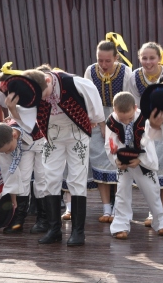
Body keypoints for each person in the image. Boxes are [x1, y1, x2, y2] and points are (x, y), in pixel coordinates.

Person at [21, 65, 104, 246]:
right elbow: (26, 122)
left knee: (77, 178)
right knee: (49, 177)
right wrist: (12, 107)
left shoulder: (73, 82)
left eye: (44, 93)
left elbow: (95, 104)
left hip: (76, 133)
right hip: (52, 135)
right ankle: (54, 229)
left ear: (49, 80)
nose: (43, 98)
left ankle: (78, 232)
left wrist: (92, 118)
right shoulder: (33, 92)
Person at [84, 33, 136, 225]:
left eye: (108, 60)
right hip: (97, 119)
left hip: (120, 117)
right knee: (99, 159)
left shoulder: (125, 72)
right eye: (100, 60)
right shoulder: (90, 71)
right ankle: (106, 206)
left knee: (117, 160)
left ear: (116, 58)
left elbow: (127, 101)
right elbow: (90, 100)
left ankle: (118, 206)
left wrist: (115, 125)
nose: (103, 64)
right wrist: (102, 124)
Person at [104, 92, 163, 239]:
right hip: (124, 162)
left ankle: (160, 221)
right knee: (122, 192)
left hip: (142, 160)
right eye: (122, 119)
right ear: (114, 110)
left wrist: (140, 159)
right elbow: (110, 144)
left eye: (129, 118)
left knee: (152, 192)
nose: (126, 122)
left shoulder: (145, 119)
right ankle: (120, 225)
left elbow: (149, 141)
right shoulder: (111, 121)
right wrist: (117, 160)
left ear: (135, 108)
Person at [132, 41, 163, 222]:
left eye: (152, 58)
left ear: (159, 58)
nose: (148, 62)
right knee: (150, 167)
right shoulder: (134, 78)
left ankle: (159, 212)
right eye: (144, 58)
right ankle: (154, 210)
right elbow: (134, 106)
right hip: (147, 125)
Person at [0, 114, 44, 234]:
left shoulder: (32, 125)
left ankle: (44, 219)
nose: (6, 153)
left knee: (42, 178)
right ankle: (18, 220)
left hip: (42, 141)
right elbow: (9, 172)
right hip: (23, 148)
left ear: (14, 136)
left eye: (7, 149)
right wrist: (13, 199)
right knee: (22, 178)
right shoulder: (5, 146)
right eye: (3, 152)